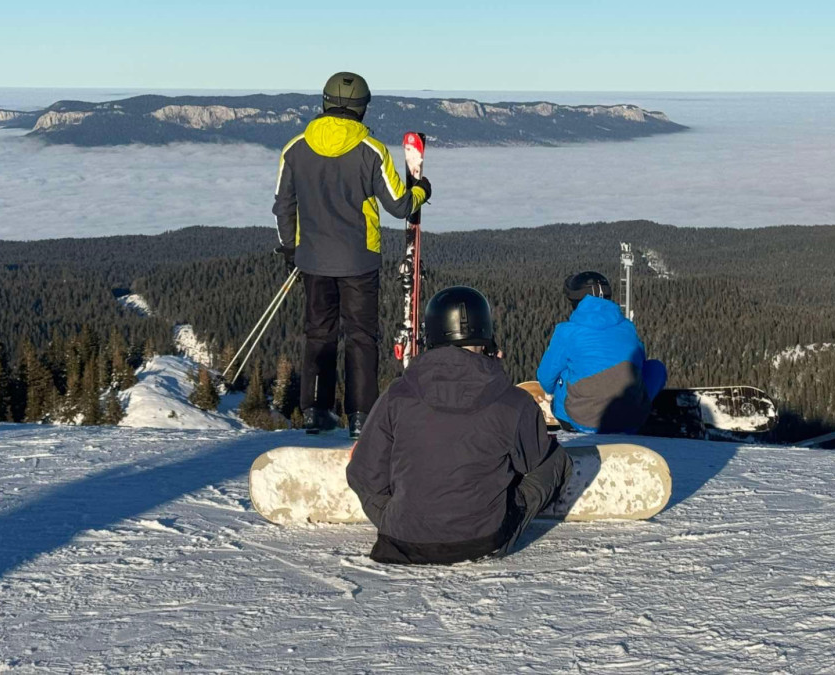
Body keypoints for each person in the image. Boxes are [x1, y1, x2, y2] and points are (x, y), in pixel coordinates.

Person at [347, 286, 571, 564]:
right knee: (556, 458)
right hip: (484, 540)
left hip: (403, 539)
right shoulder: (513, 400)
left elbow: (365, 474)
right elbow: (534, 460)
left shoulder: (398, 393)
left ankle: (408, 518)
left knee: (366, 464)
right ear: (487, 335)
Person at [272, 72, 431, 439]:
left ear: (325, 102)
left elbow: (284, 205)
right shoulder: (371, 150)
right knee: (361, 337)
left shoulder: (295, 148)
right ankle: (360, 417)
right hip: (359, 259)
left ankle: (316, 411)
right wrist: (422, 189)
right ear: (362, 108)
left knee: (319, 334)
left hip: (311, 259)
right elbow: (399, 205)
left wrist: (290, 248)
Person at [536, 271, 667, 434]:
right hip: (632, 421)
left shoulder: (566, 331)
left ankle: (569, 414)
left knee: (563, 372)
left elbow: (545, 379)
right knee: (656, 368)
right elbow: (639, 364)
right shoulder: (627, 327)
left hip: (581, 422)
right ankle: (633, 407)